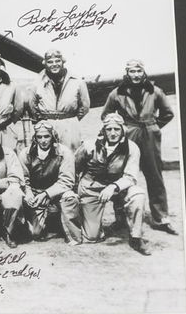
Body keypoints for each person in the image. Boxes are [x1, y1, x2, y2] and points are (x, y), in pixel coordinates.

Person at [102, 59, 178, 234]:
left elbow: (168, 113)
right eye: (132, 71)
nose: (135, 75)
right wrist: (121, 128)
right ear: (126, 73)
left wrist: (154, 126)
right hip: (128, 135)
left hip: (149, 135)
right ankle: (121, 218)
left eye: (138, 71)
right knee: (121, 175)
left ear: (143, 72)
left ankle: (161, 218)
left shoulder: (155, 91)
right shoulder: (117, 93)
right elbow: (106, 115)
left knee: (155, 175)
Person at [74, 114, 152, 254]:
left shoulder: (132, 148)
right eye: (109, 129)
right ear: (103, 130)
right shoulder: (89, 146)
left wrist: (113, 186)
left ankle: (136, 237)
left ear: (123, 130)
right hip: (93, 187)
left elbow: (131, 176)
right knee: (91, 236)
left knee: (138, 194)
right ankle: (88, 218)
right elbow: (75, 167)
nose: (113, 133)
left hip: (118, 187)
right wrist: (76, 190)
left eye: (117, 129)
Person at [20, 123, 86, 245]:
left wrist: (46, 194)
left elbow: (66, 180)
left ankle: (72, 235)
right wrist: (28, 193)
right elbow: (23, 178)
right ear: (35, 138)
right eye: (39, 137)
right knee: (35, 233)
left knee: (70, 198)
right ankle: (49, 222)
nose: (43, 140)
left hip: (57, 193)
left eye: (47, 136)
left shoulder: (64, 152)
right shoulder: (26, 153)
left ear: (53, 136)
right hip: (36, 193)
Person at [28, 49, 92, 154]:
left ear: (62, 62)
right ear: (45, 64)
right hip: (47, 124)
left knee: (73, 156)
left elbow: (85, 106)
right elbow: (32, 105)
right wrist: (43, 121)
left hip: (70, 125)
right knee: (49, 157)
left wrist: (72, 119)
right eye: (50, 62)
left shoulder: (77, 81)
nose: (54, 64)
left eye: (57, 61)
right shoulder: (37, 83)